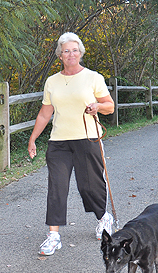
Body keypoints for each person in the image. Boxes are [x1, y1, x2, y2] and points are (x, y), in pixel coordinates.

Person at [28, 32, 115, 256]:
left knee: (89, 186)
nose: (71, 54)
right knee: (57, 186)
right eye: (66, 51)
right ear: (60, 54)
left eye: (74, 50)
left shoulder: (93, 77)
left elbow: (110, 106)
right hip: (59, 142)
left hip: (87, 138)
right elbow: (45, 113)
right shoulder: (52, 82)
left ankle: (103, 217)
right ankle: (53, 236)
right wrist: (33, 138)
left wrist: (97, 106)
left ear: (80, 53)